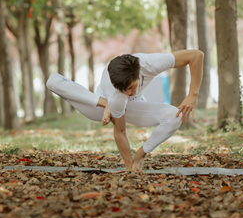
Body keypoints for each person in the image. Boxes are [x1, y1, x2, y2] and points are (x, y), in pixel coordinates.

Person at [46, 50, 204, 172]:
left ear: (138, 73)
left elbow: (196, 55)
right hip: (97, 107)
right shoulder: (118, 95)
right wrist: (129, 166)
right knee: (53, 81)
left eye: (131, 87)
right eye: (124, 90)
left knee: (174, 116)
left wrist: (193, 94)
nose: (128, 93)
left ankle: (140, 154)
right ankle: (104, 103)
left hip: (135, 105)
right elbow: (120, 132)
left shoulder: (150, 63)